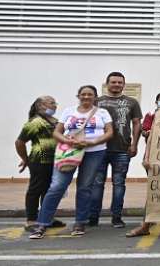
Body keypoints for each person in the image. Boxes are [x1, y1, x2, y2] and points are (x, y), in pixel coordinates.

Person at [29, 85, 114, 239]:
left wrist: (93, 142)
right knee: (57, 186)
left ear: (95, 97)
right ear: (78, 96)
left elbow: (109, 132)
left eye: (90, 94)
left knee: (84, 187)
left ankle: (80, 222)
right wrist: (68, 141)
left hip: (94, 152)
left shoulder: (102, 112)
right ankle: (42, 224)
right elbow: (57, 132)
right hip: (69, 152)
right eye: (83, 94)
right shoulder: (69, 111)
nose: (86, 97)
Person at [88, 72, 142, 228]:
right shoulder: (96, 102)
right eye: (114, 82)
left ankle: (116, 217)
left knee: (119, 184)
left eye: (120, 82)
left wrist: (134, 144)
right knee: (97, 184)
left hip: (122, 150)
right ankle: (93, 217)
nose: (117, 85)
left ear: (123, 85)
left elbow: (137, 123)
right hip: (99, 149)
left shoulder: (132, 102)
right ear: (107, 84)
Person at [15, 95, 64, 231]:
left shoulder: (54, 121)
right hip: (40, 159)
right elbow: (20, 142)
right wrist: (25, 159)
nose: (55, 105)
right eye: (51, 103)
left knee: (48, 190)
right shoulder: (35, 122)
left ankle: (46, 218)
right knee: (36, 189)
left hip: (54, 160)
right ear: (40, 106)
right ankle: (31, 220)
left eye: (55, 102)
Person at [126, 91, 160, 238]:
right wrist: (151, 132)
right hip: (153, 158)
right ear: (157, 102)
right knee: (154, 191)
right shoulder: (151, 116)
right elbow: (145, 131)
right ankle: (146, 224)